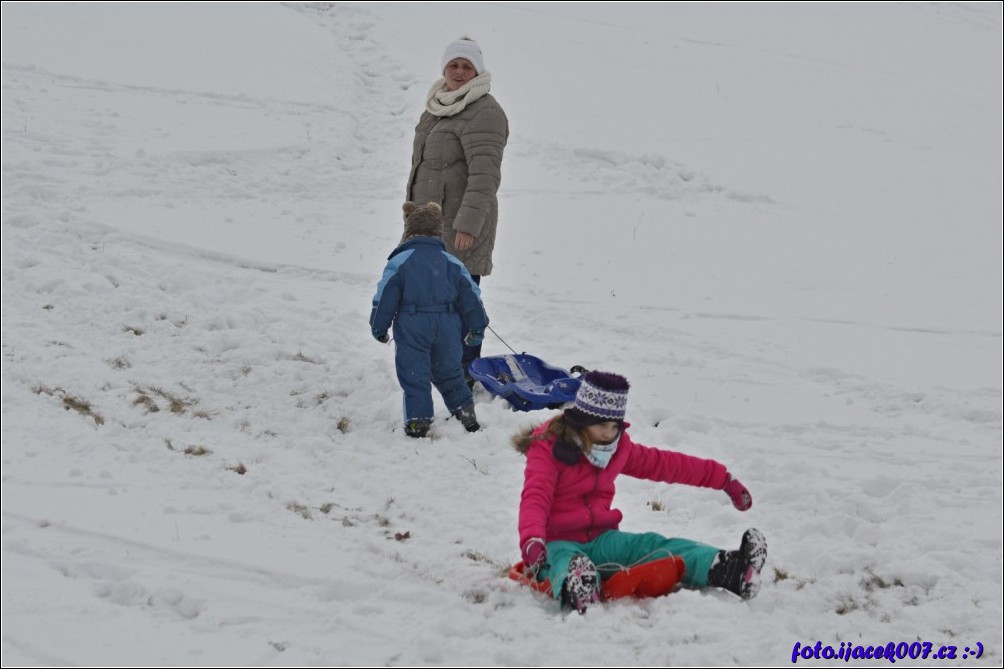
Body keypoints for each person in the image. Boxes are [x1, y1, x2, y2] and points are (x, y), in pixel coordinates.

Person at [513, 370, 767, 613]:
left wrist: (723, 479)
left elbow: (665, 464)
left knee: (653, 545)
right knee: (564, 560)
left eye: (615, 426)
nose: (608, 433)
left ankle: (727, 569)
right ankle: (579, 584)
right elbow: (536, 497)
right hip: (554, 543)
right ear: (583, 420)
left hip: (601, 539)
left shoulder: (616, 448)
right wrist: (533, 540)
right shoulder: (548, 449)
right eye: (601, 425)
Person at [406, 36, 508, 378]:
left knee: (462, 297)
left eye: (467, 66)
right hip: (429, 224)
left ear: (478, 71)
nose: (460, 72)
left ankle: (464, 368)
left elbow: (485, 175)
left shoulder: (484, 111)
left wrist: (468, 224)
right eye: (454, 65)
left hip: (461, 225)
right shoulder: (437, 106)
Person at [371, 202, 488, 438]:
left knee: (414, 373)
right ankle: (466, 415)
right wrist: (477, 326)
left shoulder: (400, 261)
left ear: (410, 231)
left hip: (412, 325)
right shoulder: (453, 263)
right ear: (438, 232)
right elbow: (471, 297)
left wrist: (379, 326)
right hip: (447, 326)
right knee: (450, 372)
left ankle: (418, 420)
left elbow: (386, 297)